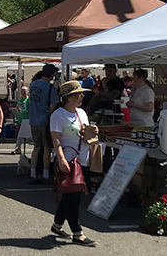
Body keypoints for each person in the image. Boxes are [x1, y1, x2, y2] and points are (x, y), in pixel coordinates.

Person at [49, 80, 98, 247]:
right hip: (68, 161)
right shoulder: (58, 115)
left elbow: (84, 133)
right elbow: (55, 140)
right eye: (79, 94)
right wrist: (61, 159)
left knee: (70, 194)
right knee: (74, 198)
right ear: (69, 97)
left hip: (81, 159)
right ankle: (78, 232)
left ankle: (57, 225)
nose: (82, 96)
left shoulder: (81, 113)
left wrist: (92, 131)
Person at [28, 63, 59, 184]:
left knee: (36, 148)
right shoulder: (50, 87)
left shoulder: (33, 84)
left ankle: (33, 173)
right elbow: (52, 106)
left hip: (33, 120)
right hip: (45, 120)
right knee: (47, 148)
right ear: (52, 74)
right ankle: (46, 174)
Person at [11, 86, 31, 155]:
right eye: (22, 91)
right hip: (21, 120)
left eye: (24, 91)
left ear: (28, 92)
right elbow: (17, 108)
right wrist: (18, 110)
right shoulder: (20, 101)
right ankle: (18, 148)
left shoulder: (28, 100)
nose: (23, 93)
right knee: (20, 134)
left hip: (28, 120)